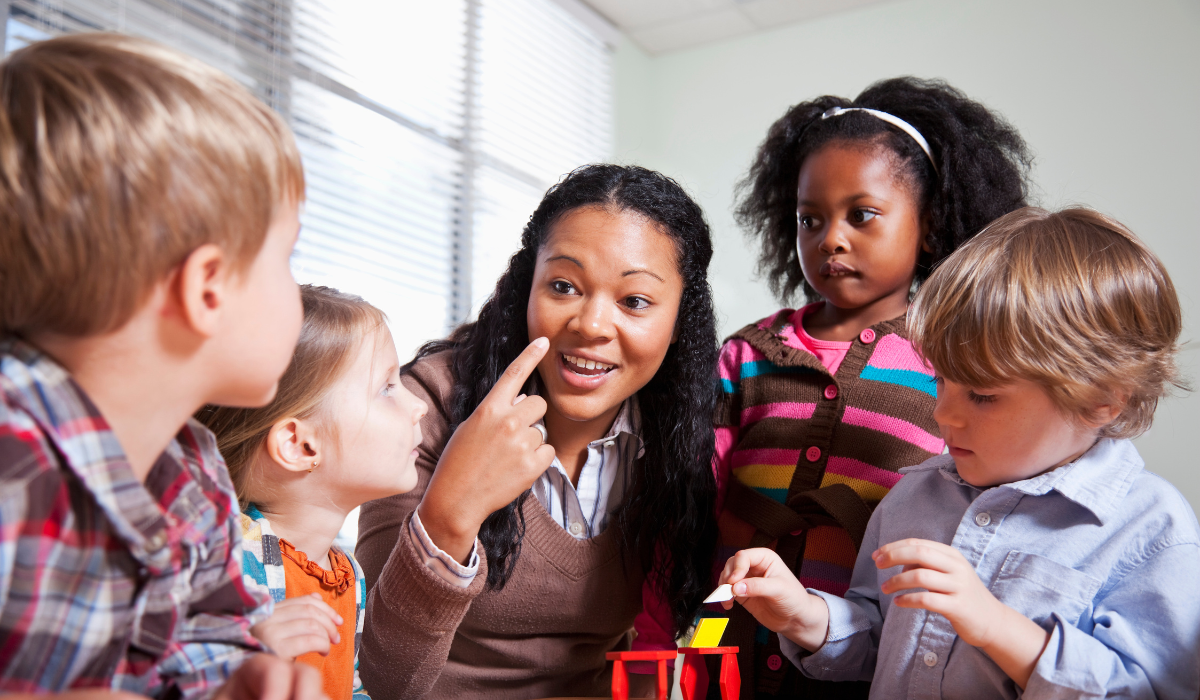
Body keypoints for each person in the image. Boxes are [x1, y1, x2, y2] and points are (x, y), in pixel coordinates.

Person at [718, 207, 1200, 699]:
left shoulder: (1153, 531)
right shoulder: (913, 498)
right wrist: (805, 615)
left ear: (1102, 399)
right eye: (942, 381)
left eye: (984, 396)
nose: (944, 414)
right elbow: (879, 641)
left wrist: (994, 625)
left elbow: (1152, 690)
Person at [0, 33, 322, 699]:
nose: (296, 289)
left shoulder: (194, 474)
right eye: (286, 257)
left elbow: (210, 640)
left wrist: (240, 683)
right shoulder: (13, 461)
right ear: (208, 288)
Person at [701, 77, 1031, 698]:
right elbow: (697, 494)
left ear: (929, 226)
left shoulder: (956, 360)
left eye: (862, 215)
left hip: (868, 662)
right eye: (811, 219)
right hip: (727, 653)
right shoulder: (746, 355)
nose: (832, 238)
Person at [354, 164, 720, 699]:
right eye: (564, 286)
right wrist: (452, 512)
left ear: (679, 319)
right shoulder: (426, 406)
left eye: (634, 301)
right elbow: (388, 677)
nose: (592, 324)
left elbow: (662, 641)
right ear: (528, 287)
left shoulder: (677, 437)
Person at [199, 285, 428, 700]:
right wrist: (244, 659)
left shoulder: (347, 574)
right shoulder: (224, 561)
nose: (419, 406)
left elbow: (346, 685)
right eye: (387, 388)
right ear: (301, 445)